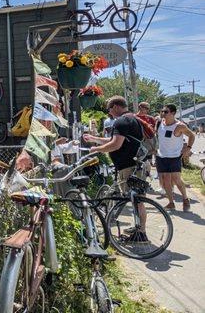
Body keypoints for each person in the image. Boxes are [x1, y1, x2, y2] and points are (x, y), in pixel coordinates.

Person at [83, 96, 148, 241]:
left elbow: (115, 145)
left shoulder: (121, 121)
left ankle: (142, 233)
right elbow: (116, 140)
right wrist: (95, 139)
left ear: (116, 107)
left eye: (109, 109)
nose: (109, 113)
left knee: (137, 200)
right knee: (137, 200)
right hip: (134, 164)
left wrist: (96, 149)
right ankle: (139, 228)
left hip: (128, 167)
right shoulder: (131, 119)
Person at [157, 104, 194, 211]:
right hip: (161, 156)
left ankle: (185, 199)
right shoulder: (159, 122)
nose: (163, 113)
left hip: (174, 156)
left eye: (165, 112)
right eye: (162, 111)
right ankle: (171, 202)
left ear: (173, 113)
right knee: (165, 181)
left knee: (176, 179)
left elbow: (192, 135)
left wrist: (188, 148)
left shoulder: (179, 126)